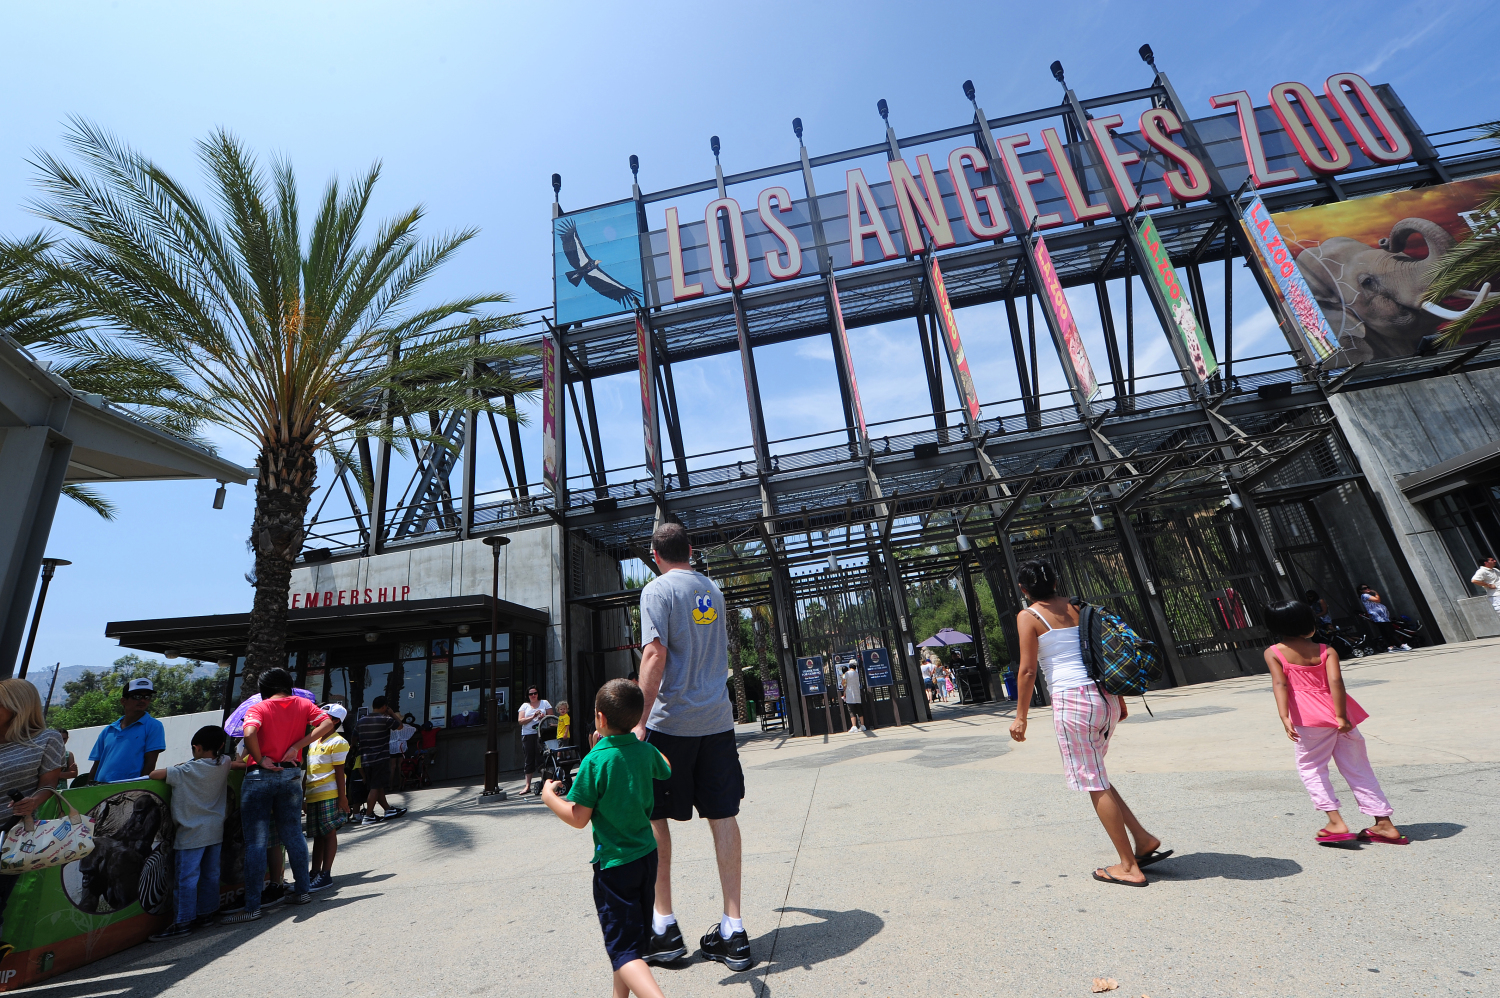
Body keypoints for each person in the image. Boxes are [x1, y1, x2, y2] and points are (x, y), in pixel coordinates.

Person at [1008, 560, 1170, 887]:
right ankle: (1142, 839)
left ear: (1024, 590)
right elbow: (1102, 653)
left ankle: (1129, 865)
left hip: (1073, 702)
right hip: (1104, 698)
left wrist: (1021, 716)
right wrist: (1119, 698)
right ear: (1056, 579)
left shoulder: (1028, 616)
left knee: (1093, 781)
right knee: (1096, 773)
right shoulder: (1079, 607)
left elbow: (1026, 671)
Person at [634, 521, 751, 972]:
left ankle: (664, 928)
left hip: (672, 723)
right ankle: (733, 931)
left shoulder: (656, 591)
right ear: (690, 549)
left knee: (655, 818)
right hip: (717, 721)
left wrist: (639, 722)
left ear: (655, 554)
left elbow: (654, 655)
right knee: (724, 815)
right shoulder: (713, 591)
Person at [543, 679, 672, 998]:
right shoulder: (644, 750)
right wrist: (640, 746)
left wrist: (548, 797)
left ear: (600, 719)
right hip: (646, 859)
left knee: (624, 951)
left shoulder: (594, 762)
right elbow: (666, 768)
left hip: (614, 867)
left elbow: (578, 817)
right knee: (628, 945)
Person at [1262, 600, 1406, 845]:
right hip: (1342, 715)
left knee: (1312, 767)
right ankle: (1384, 824)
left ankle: (1335, 821)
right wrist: (1341, 716)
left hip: (1309, 718)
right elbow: (1336, 683)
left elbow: (1280, 684)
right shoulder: (1326, 650)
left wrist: (1284, 716)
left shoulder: (1274, 652)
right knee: (1358, 767)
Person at [222, 668, 335, 923]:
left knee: (256, 842)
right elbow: (327, 722)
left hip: (260, 776)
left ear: (264, 687)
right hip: (291, 774)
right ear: (288, 685)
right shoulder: (304, 704)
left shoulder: (259, 708)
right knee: (293, 833)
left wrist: (260, 759)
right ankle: (302, 892)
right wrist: (297, 746)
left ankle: (252, 907)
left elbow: (249, 732)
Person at [147, 725, 239, 940]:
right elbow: (237, 763)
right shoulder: (224, 763)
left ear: (196, 747)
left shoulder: (184, 771)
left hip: (190, 834)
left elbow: (153, 773)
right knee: (210, 874)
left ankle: (182, 922)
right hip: (215, 830)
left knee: (186, 878)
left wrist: (181, 765)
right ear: (219, 746)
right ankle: (206, 915)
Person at [0, 679, 65, 960]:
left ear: (17, 707)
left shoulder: (47, 738)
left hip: (9, 836)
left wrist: (32, 802)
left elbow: (49, 785)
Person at [305, 703, 351, 891]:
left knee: (329, 833)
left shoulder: (338, 742)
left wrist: (343, 797)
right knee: (317, 836)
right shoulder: (313, 741)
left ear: (335, 721)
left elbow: (340, 773)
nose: (318, 720)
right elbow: (308, 770)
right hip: (313, 794)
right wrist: (304, 796)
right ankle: (314, 872)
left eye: (325, 717)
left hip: (330, 794)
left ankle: (326, 874)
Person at [87, 677, 166, 782]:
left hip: (128, 790)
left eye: (147, 697)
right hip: (101, 789)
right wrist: (89, 785)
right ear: (123, 701)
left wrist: (139, 790)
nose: (143, 700)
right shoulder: (108, 730)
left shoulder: (153, 726)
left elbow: (150, 763)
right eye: (137, 696)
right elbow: (97, 763)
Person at [355, 697, 407, 822]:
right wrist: (392, 713)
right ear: (384, 707)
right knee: (375, 787)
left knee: (377, 786)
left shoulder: (361, 721)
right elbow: (400, 726)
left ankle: (388, 809)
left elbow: (354, 738)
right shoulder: (385, 719)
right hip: (380, 758)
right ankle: (368, 815)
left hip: (366, 759)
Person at [518, 688, 553, 795]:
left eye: (535, 693)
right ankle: (527, 785)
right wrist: (532, 716)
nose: (533, 695)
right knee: (529, 758)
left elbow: (551, 716)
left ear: (538, 694)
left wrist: (543, 716)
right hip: (528, 734)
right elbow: (520, 721)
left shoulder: (544, 703)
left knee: (542, 758)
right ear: (528, 695)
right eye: (531, 694)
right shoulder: (525, 706)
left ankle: (546, 783)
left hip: (541, 733)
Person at [1358, 585, 1408, 652]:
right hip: (1379, 617)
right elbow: (1377, 600)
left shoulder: (1367, 596)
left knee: (1385, 632)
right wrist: (1376, 593)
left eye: (1368, 587)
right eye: (1365, 588)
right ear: (1361, 590)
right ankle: (1401, 645)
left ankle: (1390, 646)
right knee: (1390, 631)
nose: (1367, 589)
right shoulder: (1365, 595)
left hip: (1382, 617)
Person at [1471, 555, 1500, 620]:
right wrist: (1489, 585)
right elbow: (1474, 580)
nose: (1495, 561)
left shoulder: (1495, 570)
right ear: (1486, 563)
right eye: (1492, 560)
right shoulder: (1482, 571)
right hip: (1496, 596)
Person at [841, 663, 864, 732]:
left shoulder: (847, 674)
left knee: (851, 710)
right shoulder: (857, 674)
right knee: (859, 710)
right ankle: (862, 725)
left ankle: (854, 726)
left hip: (850, 694)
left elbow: (843, 683)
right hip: (857, 694)